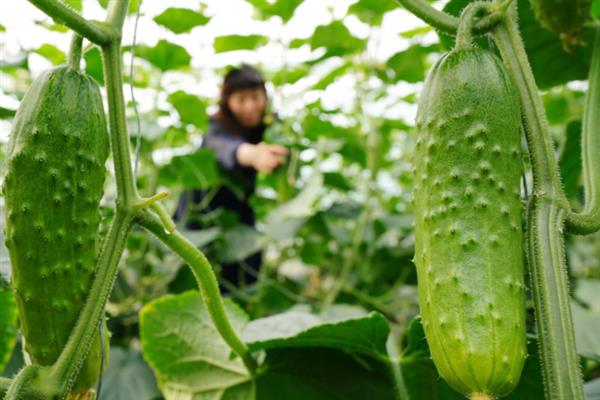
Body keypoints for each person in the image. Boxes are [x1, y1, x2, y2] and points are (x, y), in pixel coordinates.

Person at [174, 64, 288, 290]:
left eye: (256, 97)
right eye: (241, 99)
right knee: (194, 277)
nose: (250, 107)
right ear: (227, 101)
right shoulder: (217, 124)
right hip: (200, 212)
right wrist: (255, 155)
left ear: (265, 96)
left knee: (249, 268)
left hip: (237, 211)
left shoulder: (269, 125)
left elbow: (286, 145)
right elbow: (223, 147)